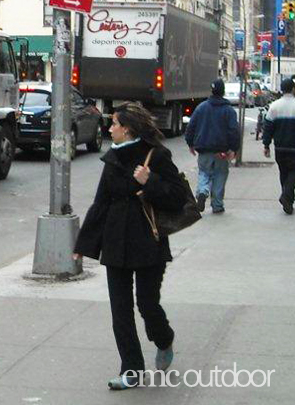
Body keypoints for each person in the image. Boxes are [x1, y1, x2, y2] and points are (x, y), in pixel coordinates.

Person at [73, 103, 187, 390]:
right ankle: (131, 370)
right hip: (116, 244)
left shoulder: (157, 156)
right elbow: (101, 203)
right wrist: (82, 245)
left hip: (149, 242)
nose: (109, 128)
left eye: (114, 124)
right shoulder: (112, 159)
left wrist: (150, 182)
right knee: (120, 312)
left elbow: (177, 198)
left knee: (147, 305)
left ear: (128, 128)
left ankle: (164, 339)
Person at [184, 79, 240, 213]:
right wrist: (234, 148)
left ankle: (202, 191)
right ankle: (217, 204)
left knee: (204, 172)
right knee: (220, 174)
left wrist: (190, 143)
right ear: (223, 92)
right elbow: (233, 131)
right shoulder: (229, 110)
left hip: (204, 149)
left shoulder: (201, 107)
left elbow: (191, 127)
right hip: (222, 150)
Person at [263, 78, 295, 215]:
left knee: (284, 172)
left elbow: (268, 127)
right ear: (293, 89)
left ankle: (287, 200)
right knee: (293, 173)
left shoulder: (274, 106)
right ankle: (287, 197)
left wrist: (266, 145)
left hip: (280, 147)